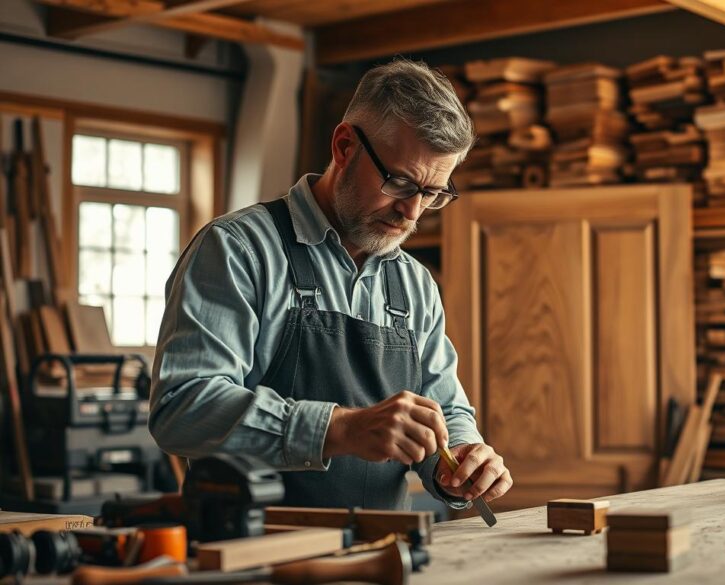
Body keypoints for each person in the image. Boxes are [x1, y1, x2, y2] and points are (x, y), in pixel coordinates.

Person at [148, 58, 512, 511]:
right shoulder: (237, 250)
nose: (413, 212)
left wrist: (459, 457)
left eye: (433, 194)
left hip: (381, 554)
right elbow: (183, 408)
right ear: (344, 146)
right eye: (400, 182)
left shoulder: (415, 284)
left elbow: (445, 409)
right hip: (254, 555)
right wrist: (339, 429)